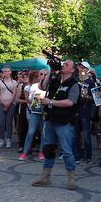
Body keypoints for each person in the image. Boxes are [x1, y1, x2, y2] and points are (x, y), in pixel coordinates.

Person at [31, 60, 80, 190]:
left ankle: (72, 178)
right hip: (50, 119)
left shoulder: (74, 84)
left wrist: (51, 102)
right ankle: (45, 177)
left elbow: (70, 102)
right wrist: (50, 72)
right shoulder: (54, 80)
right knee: (48, 148)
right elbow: (42, 87)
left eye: (67, 65)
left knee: (66, 150)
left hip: (64, 121)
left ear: (72, 70)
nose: (63, 65)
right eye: (63, 64)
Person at [18, 71, 46, 161]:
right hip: (35, 110)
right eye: (41, 74)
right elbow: (29, 99)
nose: (43, 76)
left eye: (45, 74)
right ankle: (25, 153)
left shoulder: (49, 85)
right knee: (31, 132)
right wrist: (37, 98)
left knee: (43, 133)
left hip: (45, 111)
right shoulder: (34, 86)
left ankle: (42, 152)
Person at [74, 62, 95, 164]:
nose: (81, 69)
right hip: (75, 110)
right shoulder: (75, 80)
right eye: (80, 67)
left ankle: (88, 156)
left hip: (86, 111)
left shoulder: (90, 82)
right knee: (75, 135)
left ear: (87, 70)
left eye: (83, 67)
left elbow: (95, 98)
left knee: (86, 135)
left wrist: (87, 96)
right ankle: (77, 155)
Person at [0, 66, 17, 148]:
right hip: (0, 103)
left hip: (11, 104)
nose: (6, 73)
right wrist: (3, 103)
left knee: (9, 122)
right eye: (5, 71)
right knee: (1, 123)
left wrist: (8, 103)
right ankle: (1, 139)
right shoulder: (0, 82)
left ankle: (8, 139)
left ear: (10, 72)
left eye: (8, 71)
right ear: (3, 73)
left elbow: (14, 94)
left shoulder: (14, 82)